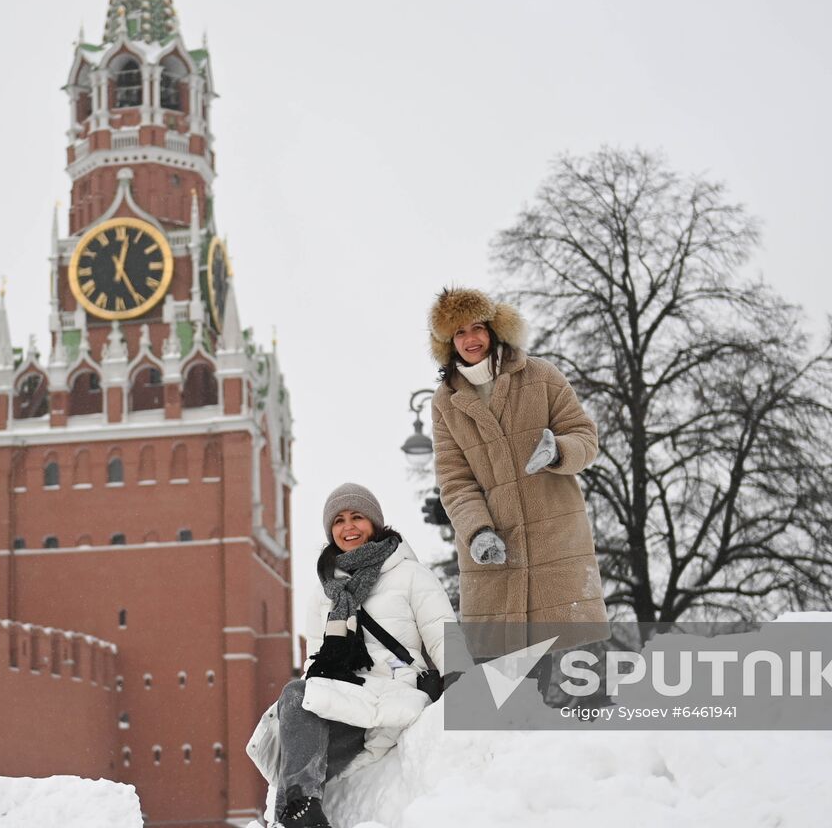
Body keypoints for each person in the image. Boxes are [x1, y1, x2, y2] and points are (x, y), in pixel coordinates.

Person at [246, 482, 456, 828]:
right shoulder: (324, 594)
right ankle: (298, 812)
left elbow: (443, 631)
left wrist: (461, 681)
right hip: (344, 701)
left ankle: (298, 815)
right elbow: (316, 667)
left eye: (357, 517)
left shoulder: (409, 575)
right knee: (297, 697)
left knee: (298, 699)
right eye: (339, 520)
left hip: (394, 694)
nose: (348, 527)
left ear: (374, 523)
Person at [427, 286, 609, 661]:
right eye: (459, 332)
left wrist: (559, 450)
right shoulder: (445, 403)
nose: (470, 339)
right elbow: (455, 480)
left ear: (493, 329)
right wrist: (477, 531)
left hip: (555, 543)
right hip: (496, 553)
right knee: (510, 685)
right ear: (448, 342)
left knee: (581, 671)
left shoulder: (541, 375)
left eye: (476, 327)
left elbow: (585, 436)